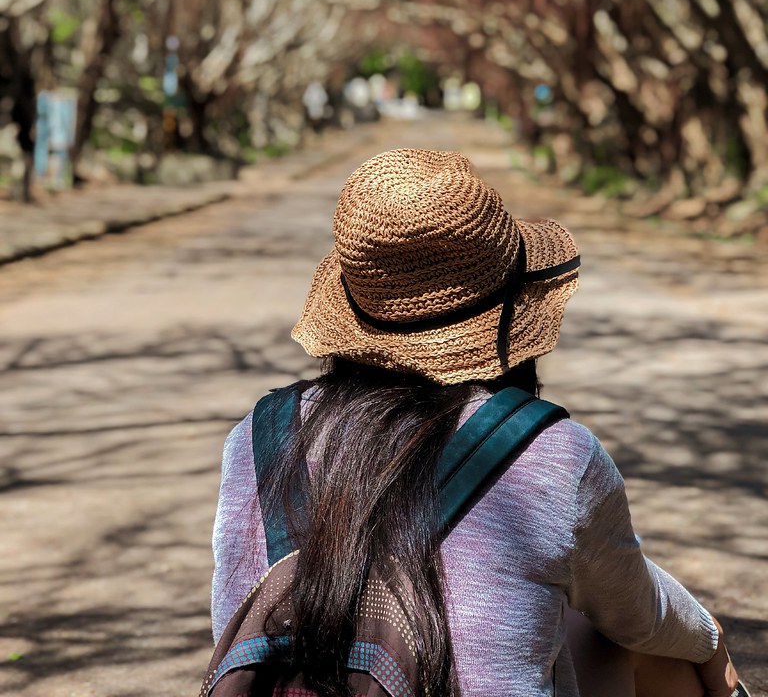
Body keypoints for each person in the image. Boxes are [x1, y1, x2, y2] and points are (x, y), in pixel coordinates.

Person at [210, 148, 743, 697]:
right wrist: (712, 636)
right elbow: (638, 612)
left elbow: (232, 621)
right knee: (633, 639)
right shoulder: (553, 453)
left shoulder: (259, 437)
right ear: (515, 305)